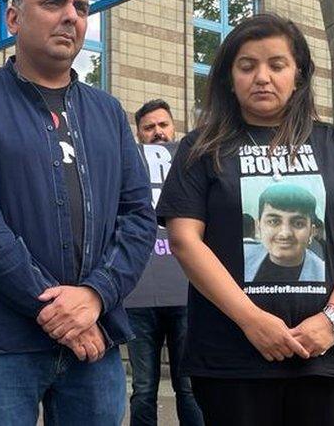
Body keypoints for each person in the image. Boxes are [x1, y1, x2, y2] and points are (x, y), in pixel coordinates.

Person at [0, 0, 156, 425]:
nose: (71, 16)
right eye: (54, 2)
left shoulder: (109, 112)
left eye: (81, 6)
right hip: (2, 345)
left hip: (96, 342)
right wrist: (57, 307)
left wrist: (95, 296)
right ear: (13, 19)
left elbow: (139, 216)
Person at [156, 13, 334, 426]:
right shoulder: (200, 149)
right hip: (232, 358)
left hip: (324, 356)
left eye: (276, 65)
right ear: (229, 77)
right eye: (247, 66)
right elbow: (185, 239)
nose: (262, 77)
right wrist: (252, 321)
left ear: (298, 74)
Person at [127, 100, 203, 426]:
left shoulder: (192, 166)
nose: (158, 132)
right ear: (139, 135)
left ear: (174, 128)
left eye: (163, 125)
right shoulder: (128, 169)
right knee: (143, 388)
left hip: (186, 293)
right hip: (138, 299)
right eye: (149, 127)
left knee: (189, 385)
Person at [245, 182, 325, 283]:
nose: (285, 234)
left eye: (298, 224)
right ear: (258, 226)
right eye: (273, 222)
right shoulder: (242, 258)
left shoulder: (322, 274)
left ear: (311, 232)